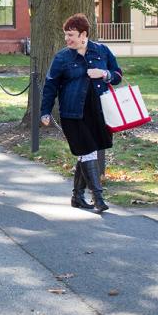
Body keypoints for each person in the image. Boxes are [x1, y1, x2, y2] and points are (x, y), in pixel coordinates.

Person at [41, 13, 122, 213]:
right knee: (87, 151)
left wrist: (105, 74)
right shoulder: (62, 57)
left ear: (83, 34)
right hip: (72, 113)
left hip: (97, 112)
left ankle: (77, 197)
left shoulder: (101, 51)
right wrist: (45, 111)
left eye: (71, 35)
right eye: (66, 35)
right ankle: (98, 197)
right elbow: (50, 85)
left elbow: (118, 75)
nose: (67, 39)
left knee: (85, 153)